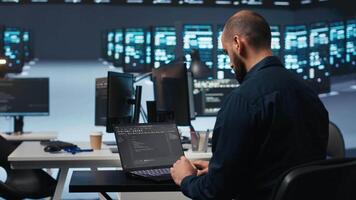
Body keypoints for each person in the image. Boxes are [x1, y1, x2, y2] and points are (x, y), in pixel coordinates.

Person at [170, 10, 329, 200]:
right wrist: (218, 169)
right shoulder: (308, 93)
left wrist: (186, 178)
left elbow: (214, 191)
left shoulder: (243, 100)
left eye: (226, 52)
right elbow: (280, 165)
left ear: (238, 43)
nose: (229, 63)